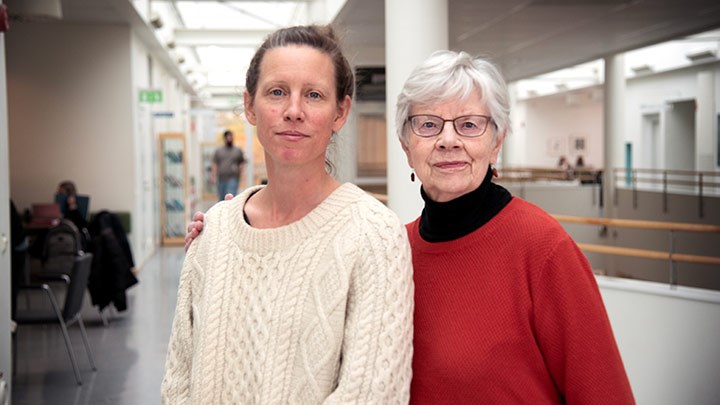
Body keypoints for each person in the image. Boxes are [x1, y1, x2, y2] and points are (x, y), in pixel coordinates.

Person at [186, 50, 634, 403]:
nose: (447, 139)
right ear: (405, 143)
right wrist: (233, 237)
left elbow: (604, 394)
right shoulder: (389, 248)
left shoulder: (542, 248)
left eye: (470, 124)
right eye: (428, 124)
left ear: (497, 141)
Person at [162, 25, 414, 404]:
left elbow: (372, 394)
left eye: (313, 95)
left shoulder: (374, 234)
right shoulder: (212, 232)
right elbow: (178, 379)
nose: (293, 111)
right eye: (277, 92)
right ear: (250, 105)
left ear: (340, 112)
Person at [212, 129, 246, 200]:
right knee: (221, 199)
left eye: (231, 137)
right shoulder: (219, 151)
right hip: (221, 178)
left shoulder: (237, 150)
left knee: (230, 197)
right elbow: (215, 164)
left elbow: (242, 162)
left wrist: (240, 172)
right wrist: (213, 177)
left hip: (233, 178)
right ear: (224, 138)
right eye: (228, 137)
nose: (230, 138)